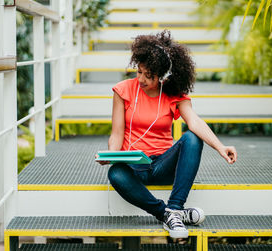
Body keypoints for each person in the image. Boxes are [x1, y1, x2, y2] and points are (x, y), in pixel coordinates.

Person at [96, 30, 237, 239]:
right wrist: (112, 156)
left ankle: (175, 207)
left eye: (149, 76)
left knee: (191, 137)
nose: (142, 79)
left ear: (162, 76)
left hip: (163, 164)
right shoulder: (122, 90)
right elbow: (116, 133)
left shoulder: (173, 95)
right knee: (115, 174)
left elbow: (195, 122)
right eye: (139, 72)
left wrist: (220, 147)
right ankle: (169, 215)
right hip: (134, 166)